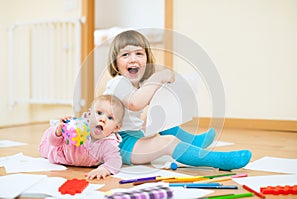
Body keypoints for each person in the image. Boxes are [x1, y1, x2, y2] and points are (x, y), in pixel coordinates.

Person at [103, 30, 252, 171]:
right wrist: (157, 79)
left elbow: (150, 104)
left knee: (160, 118)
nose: (133, 59)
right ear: (115, 63)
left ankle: (194, 142)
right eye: (125, 55)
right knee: (169, 142)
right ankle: (218, 160)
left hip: (132, 136)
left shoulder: (138, 85)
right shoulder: (118, 82)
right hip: (120, 144)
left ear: (147, 59)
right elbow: (134, 103)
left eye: (139, 53)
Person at [39, 95, 125, 180]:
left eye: (110, 118)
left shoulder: (109, 143)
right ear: (89, 114)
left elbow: (115, 161)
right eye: (99, 113)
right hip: (59, 154)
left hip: (78, 161)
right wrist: (60, 131)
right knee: (45, 148)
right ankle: (56, 127)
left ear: (116, 128)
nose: (102, 119)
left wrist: (104, 169)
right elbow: (54, 142)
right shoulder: (78, 128)